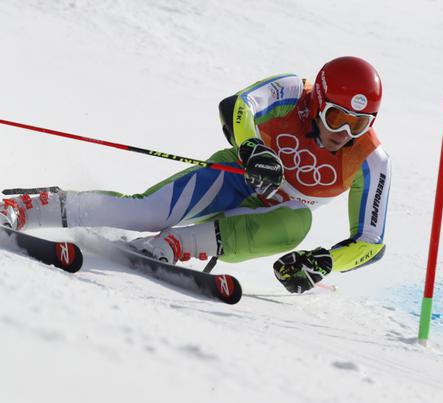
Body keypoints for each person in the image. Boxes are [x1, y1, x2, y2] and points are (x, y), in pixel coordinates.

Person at [0, 56, 391, 294]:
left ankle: (168, 247)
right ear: (318, 101)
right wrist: (252, 148)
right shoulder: (293, 90)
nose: (345, 133)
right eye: (338, 118)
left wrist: (325, 261)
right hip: (238, 174)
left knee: (299, 222)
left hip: (274, 215)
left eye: (360, 123)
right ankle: (26, 208)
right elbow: (238, 105)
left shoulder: (371, 159)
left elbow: (371, 242)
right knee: (148, 213)